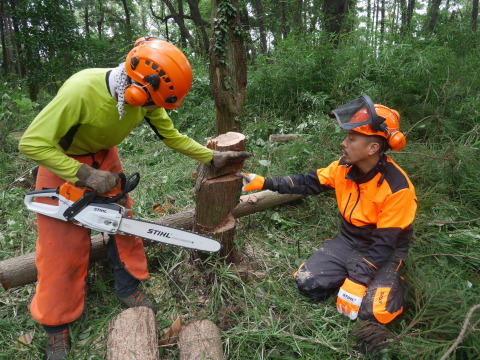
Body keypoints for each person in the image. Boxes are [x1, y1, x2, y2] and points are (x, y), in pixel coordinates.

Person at [19, 36, 249, 360]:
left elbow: (171, 135)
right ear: (137, 90)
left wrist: (211, 158)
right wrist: (83, 175)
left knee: (123, 226)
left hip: (105, 160)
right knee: (60, 249)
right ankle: (56, 326)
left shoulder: (145, 101)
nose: (155, 110)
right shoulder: (80, 90)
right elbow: (31, 143)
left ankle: (129, 285)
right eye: (154, 104)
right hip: (61, 163)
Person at [239, 95, 417, 326]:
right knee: (307, 282)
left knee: (373, 313)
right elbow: (306, 182)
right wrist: (264, 182)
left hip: (386, 251)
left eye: (352, 138)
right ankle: (349, 272)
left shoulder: (397, 188)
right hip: (349, 240)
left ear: (373, 147)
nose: (344, 143)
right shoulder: (342, 168)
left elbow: (385, 242)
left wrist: (358, 280)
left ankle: (390, 278)